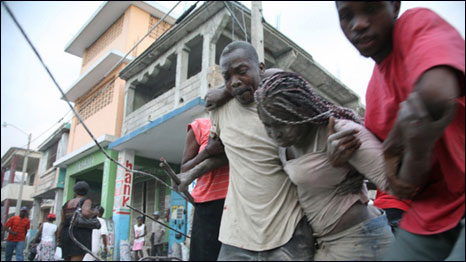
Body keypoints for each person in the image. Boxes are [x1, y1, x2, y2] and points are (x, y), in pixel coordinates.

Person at [336, 2, 465, 260]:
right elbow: (406, 184)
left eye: (371, 8)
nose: (358, 24)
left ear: (394, 6)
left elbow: (436, 95)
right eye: (346, 16)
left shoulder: (415, 24)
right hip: (432, 212)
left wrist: (395, 142)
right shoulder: (374, 96)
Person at [255, 71, 395, 260]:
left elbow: (395, 181)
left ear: (302, 111)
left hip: (362, 241)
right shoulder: (284, 142)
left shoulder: (340, 133)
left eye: (282, 124)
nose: (275, 133)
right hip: (327, 244)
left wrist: (354, 166)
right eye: (267, 125)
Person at [175, 118, 229, 261]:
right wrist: (207, 151)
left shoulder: (240, 121)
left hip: (236, 202)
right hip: (207, 205)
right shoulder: (199, 126)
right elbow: (184, 169)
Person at [57, 181, 99, 261]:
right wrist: (95, 212)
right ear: (87, 191)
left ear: (75, 191)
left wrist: (58, 238)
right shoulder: (86, 200)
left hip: (66, 234)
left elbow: (62, 222)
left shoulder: (67, 203)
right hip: (79, 235)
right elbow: (86, 212)